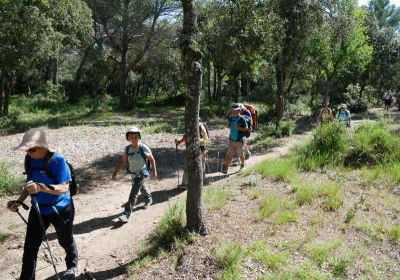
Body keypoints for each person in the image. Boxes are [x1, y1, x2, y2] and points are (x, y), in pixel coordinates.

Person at [7, 128, 79, 280]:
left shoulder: (57, 160)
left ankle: (72, 266)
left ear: (43, 148)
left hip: (61, 209)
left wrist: (41, 187)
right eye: (27, 149)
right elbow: (29, 184)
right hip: (38, 210)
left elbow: (64, 187)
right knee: (30, 249)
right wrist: (19, 201)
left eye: (32, 149)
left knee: (65, 240)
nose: (28, 152)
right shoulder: (29, 159)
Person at [111, 127, 157, 223]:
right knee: (141, 187)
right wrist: (115, 173)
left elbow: (152, 159)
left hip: (142, 172)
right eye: (131, 137)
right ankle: (148, 199)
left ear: (139, 137)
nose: (133, 139)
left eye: (135, 137)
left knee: (134, 194)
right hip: (133, 173)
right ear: (128, 138)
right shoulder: (127, 149)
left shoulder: (143, 147)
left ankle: (126, 215)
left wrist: (154, 171)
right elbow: (122, 162)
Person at [175, 118, 209, 189]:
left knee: (201, 166)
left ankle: (200, 182)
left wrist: (197, 140)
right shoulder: (190, 126)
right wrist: (179, 142)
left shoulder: (201, 127)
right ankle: (185, 184)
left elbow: (206, 139)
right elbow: (186, 136)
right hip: (191, 150)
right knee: (188, 167)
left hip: (202, 149)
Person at [221, 103, 250, 174]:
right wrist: (228, 122)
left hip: (239, 141)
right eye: (232, 110)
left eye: (234, 110)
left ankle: (242, 165)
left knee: (240, 155)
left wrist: (238, 128)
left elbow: (247, 129)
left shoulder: (242, 119)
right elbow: (228, 127)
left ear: (238, 111)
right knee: (229, 154)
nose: (232, 112)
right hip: (231, 139)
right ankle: (226, 167)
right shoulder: (231, 118)